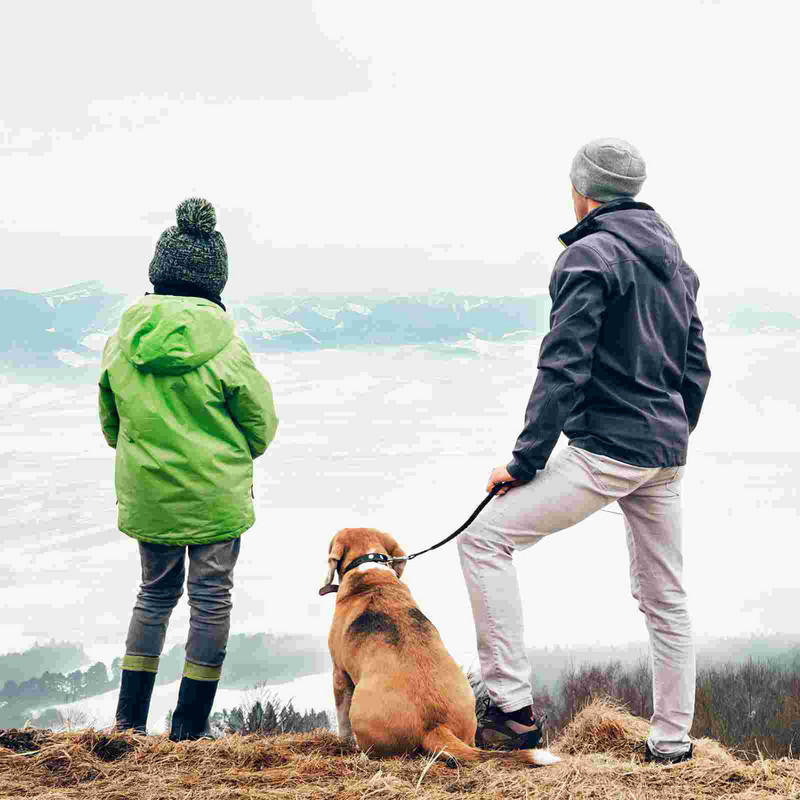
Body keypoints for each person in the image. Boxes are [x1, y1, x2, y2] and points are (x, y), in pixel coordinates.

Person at [458, 138, 711, 763]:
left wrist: (524, 462)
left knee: (483, 540)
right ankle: (673, 744)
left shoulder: (588, 257)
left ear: (582, 191)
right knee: (666, 596)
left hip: (608, 450)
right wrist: (672, 436)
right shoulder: (675, 262)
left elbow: (563, 366)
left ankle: (511, 713)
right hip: (662, 451)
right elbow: (696, 364)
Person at [98, 198, 278, 740]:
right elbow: (261, 428)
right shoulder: (227, 347)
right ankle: (189, 729)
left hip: (148, 495)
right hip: (215, 501)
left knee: (153, 595)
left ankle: (127, 724)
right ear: (215, 280)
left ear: (159, 272)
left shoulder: (121, 341)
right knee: (210, 599)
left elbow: (111, 424)